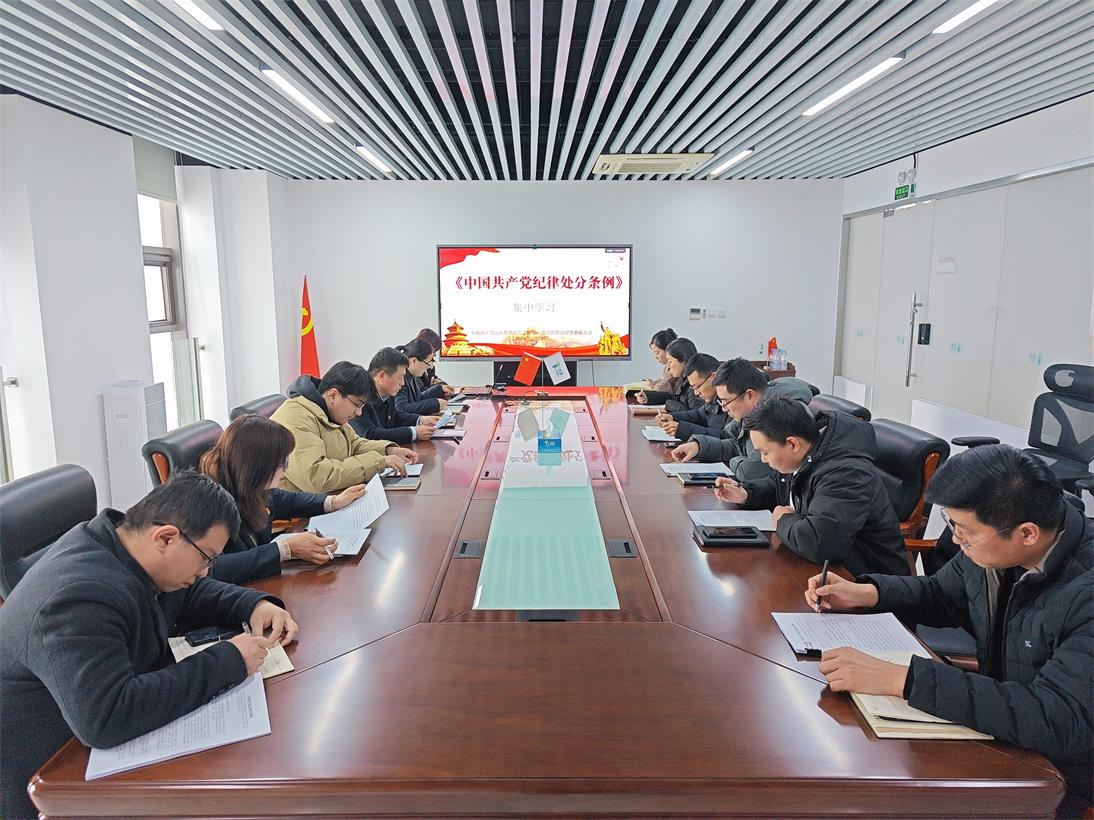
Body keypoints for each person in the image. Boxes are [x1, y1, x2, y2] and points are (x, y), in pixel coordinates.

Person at [806, 445, 1092, 816]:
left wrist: (905, 680)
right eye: (952, 524)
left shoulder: (1083, 592)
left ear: (1027, 534)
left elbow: (1059, 718)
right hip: (1000, 730)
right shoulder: (993, 549)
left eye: (965, 532)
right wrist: (869, 592)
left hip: (1060, 774)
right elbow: (943, 593)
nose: (955, 540)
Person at [0, 473, 299, 820]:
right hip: (51, 773)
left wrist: (252, 605)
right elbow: (107, 717)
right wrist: (229, 660)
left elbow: (188, 595)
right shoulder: (78, 596)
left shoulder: (124, 548)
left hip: (91, 737)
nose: (205, 572)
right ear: (166, 537)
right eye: (206, 558)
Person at [714, 396, 909, 576]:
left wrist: (783, 520)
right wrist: (746, 493)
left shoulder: (845, 473)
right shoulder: (808, 453)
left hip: (864, 580)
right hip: (824, 569)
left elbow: (820, 543)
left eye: (765, 452)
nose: (763, 460)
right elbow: (779, 485)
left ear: (792, 444)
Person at [200, 415, 369, 584]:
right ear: (258, 466)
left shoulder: (249, 485)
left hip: (259, 583)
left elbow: (285, 500)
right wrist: (283, 550)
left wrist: (332, 502)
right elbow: (210, 570)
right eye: (282, 463)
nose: (285, 470)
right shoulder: (210, 503)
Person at [271, 361, 418, 493]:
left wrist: (387, 450)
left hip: (328, 498)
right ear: (333, 395)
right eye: (357, 404)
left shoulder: (328, 412)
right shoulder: (295, 419)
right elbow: (317, 477)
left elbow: (353, 444)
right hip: (300, 510)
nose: (359, 412)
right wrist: (379, 462)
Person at [670, 357, 813, 480]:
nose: (724, 408)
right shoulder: (753, 413)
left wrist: (732, 461)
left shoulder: (777, 417)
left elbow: (749, 472)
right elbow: (737, 447)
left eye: (726, 402)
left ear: (750, 395)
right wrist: (699, 447)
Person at [351, 347, 439, 445]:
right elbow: (368, 434)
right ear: (381, 376)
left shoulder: (387, 393)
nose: (403, 383)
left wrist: (420, 420)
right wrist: (413, 433)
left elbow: (395, 416)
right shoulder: (360, 394)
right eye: (400, 378)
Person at [655, 353, 725, 440]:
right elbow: (699, 415)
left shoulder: (731, 399)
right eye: (693, 387)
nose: (696, 393)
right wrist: (672, 417)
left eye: (697, 386)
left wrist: (683, 430)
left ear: (713, 377)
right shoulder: (713, 399)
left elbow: (727, 437)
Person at [635, 337, 703, 412]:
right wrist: (648, 397)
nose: (669, 367)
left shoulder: (695, 385)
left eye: (670, 361)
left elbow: (696, 415)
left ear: (683, 360)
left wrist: (669, 404)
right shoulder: (682, 380)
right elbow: (671, 397)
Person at [394, 338, 454, 416]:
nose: (428, 367)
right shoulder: (401, 377)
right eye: (427, 363)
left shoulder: (412, 375)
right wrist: (435, 404)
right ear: (414, 361)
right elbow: (402, 408)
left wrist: (439, 389)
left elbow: (418, 398)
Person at [642, 328, 678, 392]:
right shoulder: (666, 367)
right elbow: (664, 381)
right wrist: (654, 382)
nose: (656, 357)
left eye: (657, 353)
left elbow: (662, 388)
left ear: (668, 350)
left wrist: (652, 385)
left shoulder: (674, 368)